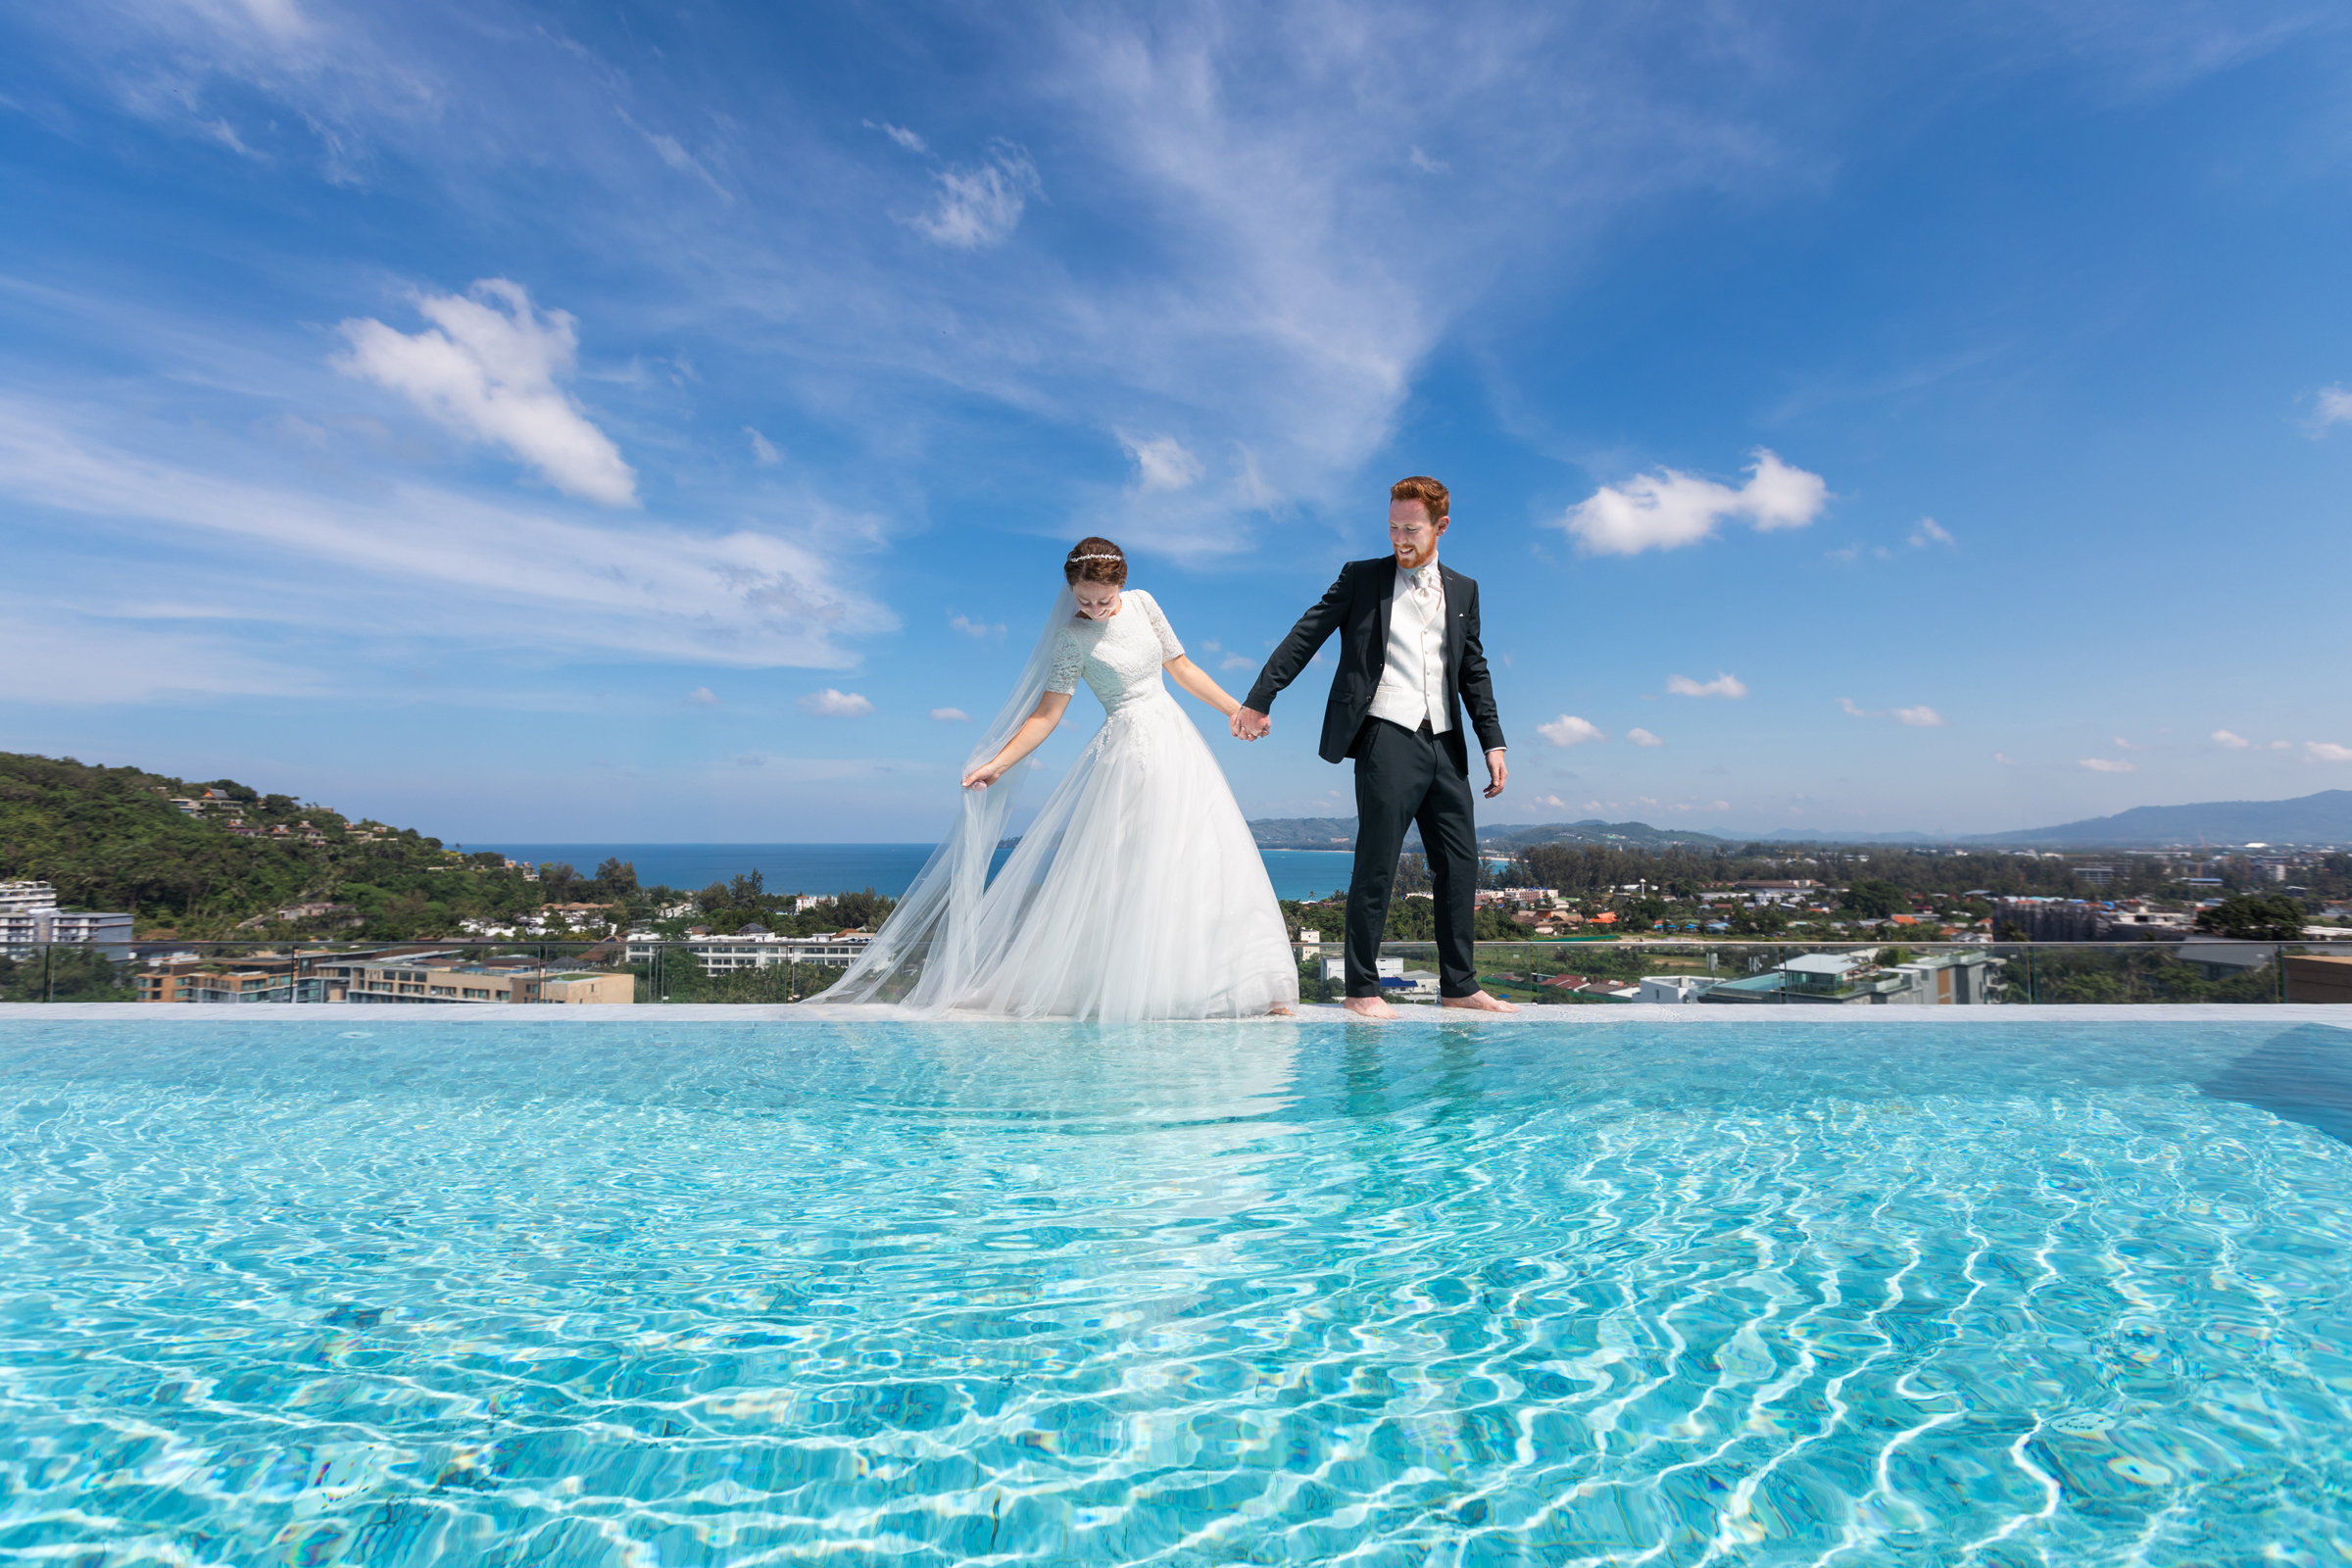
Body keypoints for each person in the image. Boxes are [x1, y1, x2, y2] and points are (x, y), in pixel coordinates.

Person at [824, 538, 1299, 1020]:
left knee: (1203, 858)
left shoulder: (1145, 605)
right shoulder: (1072, 638)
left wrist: (1237, 711)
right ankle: (1133, 985)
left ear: (1122, 585)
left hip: (1177, 742)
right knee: (1134, 869)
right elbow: (1047, 715)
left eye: (1103, 599)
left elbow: (1183, 669)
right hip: (1128, 753)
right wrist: (998, 764)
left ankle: (1244, 985)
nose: (1093, 609)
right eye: (1083, 599)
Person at [1233, 476, 1516, 1020]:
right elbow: (1305, 634)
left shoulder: (1464, 589)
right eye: (1391, 527)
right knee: (1378, 863)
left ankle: (1459, 984)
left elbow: (1472, 670)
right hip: (1386, 732)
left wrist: (1492, 741)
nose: (1399, 539)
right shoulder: (1362, 578)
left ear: (1441, 527)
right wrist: (1260, 697)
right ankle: (1361, 987)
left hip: (1447, 742)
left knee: (1460, 865)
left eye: (1410, 529)